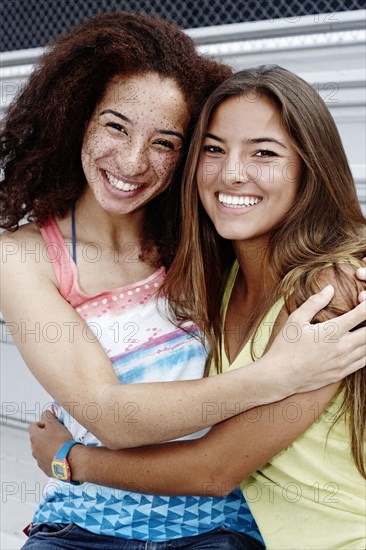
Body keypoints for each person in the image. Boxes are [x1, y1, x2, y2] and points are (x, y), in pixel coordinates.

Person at [0, 10, 364, 548]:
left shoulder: (222, 247)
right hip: (85, 524)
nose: (132, 161)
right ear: (76, 118)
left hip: (225, 526)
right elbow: (109, 414)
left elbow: (214, 470)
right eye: (116, 127)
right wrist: (276, 375)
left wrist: (68, 459)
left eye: (165, 143)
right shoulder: (28, 257)